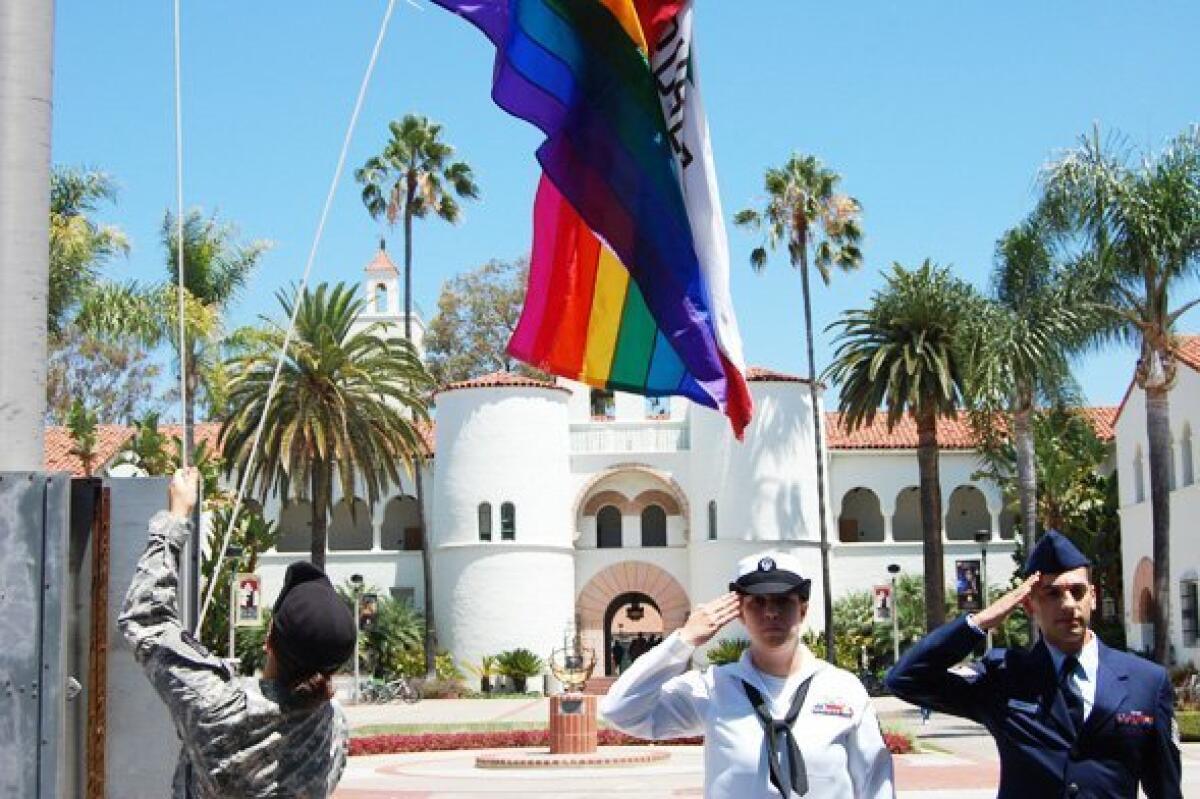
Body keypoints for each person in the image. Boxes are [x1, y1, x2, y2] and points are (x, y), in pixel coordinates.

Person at [886, 530, 1182, 799]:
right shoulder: (1004, 677)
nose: (1068, 604)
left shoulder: (1146, 681)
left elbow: (1165, 789)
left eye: (1077, 592)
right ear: (1028, 604)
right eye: (1052, 593)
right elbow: (905, 679)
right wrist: (982, 620)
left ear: (1093, 597)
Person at [118, 468, 357, 798]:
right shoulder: (333, 729)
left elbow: (145, 619)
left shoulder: (219, 707)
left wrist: (176, 517)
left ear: (269, 639)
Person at [601, 552, 894, 798]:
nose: (770, 613)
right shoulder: (714, 687)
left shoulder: (842, 688)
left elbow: (875, 783)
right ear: (739, 612)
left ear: (802, 610)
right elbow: (621, 710)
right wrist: (683, 641)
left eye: (782, 601)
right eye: (757, 602)